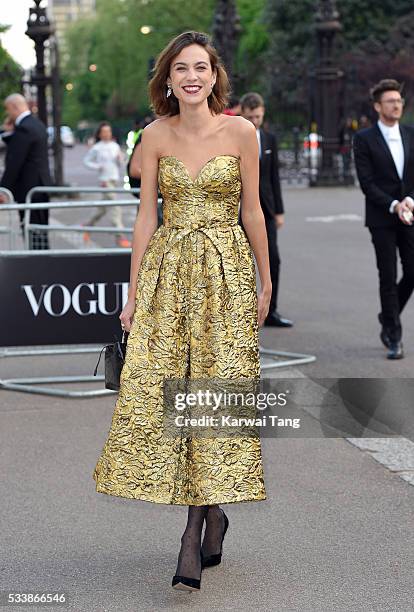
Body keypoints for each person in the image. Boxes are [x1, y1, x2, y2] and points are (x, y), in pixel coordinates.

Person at [92, 30, 271, 592]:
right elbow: (146, 217)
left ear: (215, 77)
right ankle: (206, 516)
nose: (192, 77)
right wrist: (132, 292)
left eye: (201, 67)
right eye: (181, 69)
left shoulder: (242, 132)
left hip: (225, 275)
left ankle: (197, 524)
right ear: (167, 80)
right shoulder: (153, 136)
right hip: (169, 275)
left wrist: (267, 281)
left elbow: (254, 210)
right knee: (172, 392)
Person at [353, 78, 414, 360]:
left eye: (399, 100)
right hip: (382, 217)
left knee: (411, 272)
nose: (397, 105)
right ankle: (394, 336)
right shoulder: (364, 139)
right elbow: (367, 183)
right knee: (387, 276)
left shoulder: (411, 134)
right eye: (390, 101)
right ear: (378, 106)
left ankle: (387, 316)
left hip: (410, 214)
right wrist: (393, 205)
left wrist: (409, 201)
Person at [240, 92, 293, 328]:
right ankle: (241, 310)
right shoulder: (235, 137)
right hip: (238, 208)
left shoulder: (269, 139)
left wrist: (279, 210)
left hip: (267, 208)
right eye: (250, 116)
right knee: (240, 261)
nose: (255, 121)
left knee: (274, 259)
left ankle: (271, 310)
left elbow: (274, 177)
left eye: (258, 116)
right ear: (242, 113)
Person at [0, 93, 52, 249]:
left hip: (29, 188)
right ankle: (43, 264)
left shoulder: (24, 128)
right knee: (40, 231)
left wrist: (3, 189)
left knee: (32, 232)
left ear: (15, 107)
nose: (9, 114)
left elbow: (15, 162)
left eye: (8, 110)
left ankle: (38, 268)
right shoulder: (37, 125)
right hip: (41, 186)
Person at [83, 121, 131, 248]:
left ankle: (88, 225)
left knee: (103, 208)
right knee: (116, 207)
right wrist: (98, 166)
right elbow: (86, 161)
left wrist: (120, 159)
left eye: (108, 131)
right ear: (99, 134)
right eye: (104, 132)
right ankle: (120, 236)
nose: (106, 134)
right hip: (105, 181)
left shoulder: (114, 145)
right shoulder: (97, 147)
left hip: (114, 179)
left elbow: (121, 161)